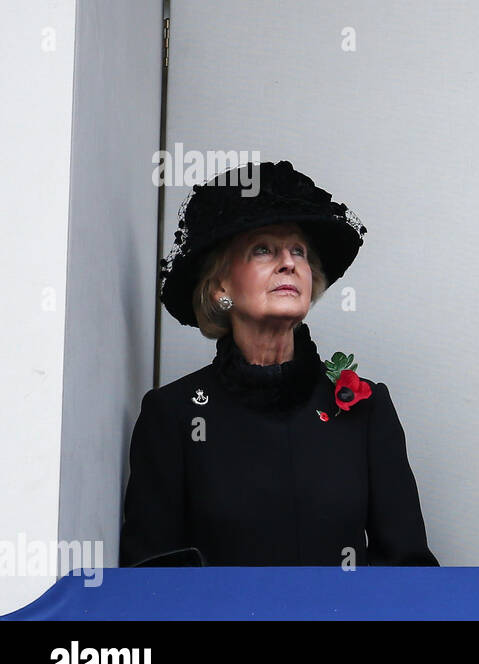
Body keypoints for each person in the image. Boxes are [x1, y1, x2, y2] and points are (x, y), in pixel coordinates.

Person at [120, 161, 438, 567]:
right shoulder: (173, 415)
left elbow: (408, 567)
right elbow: (151, 583)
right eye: (263, 249)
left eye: (299, 251)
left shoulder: (365, 407)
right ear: (221, 287)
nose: (288, 262)